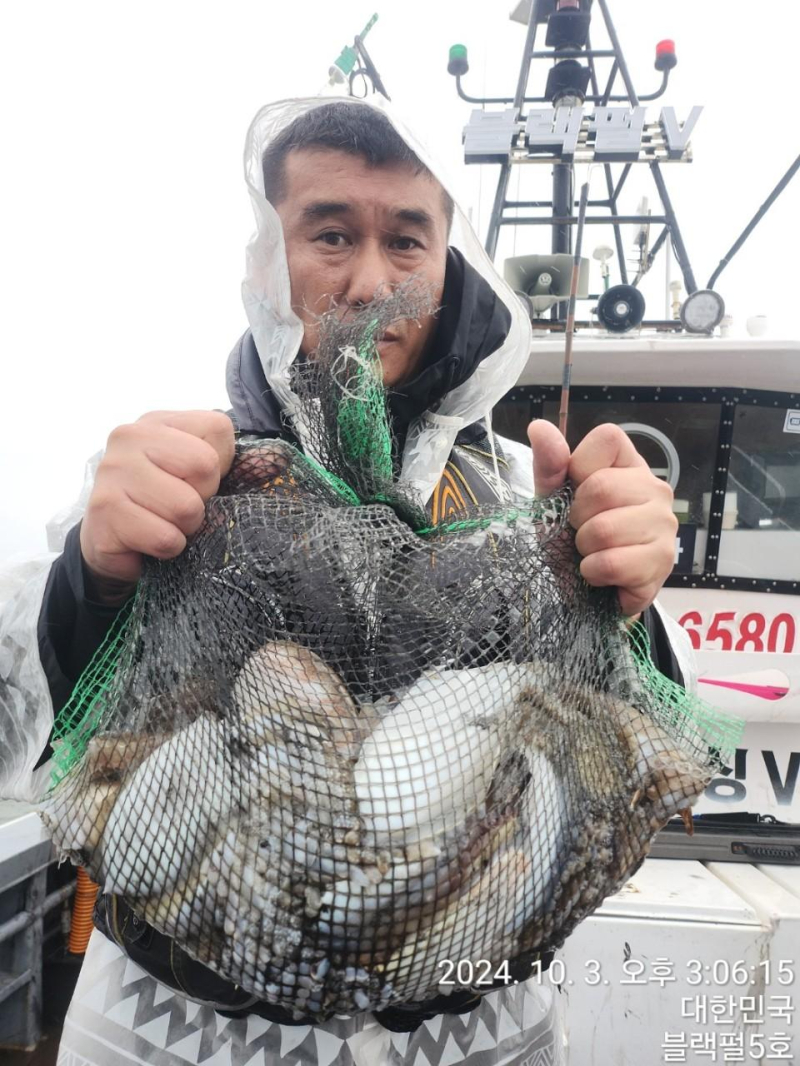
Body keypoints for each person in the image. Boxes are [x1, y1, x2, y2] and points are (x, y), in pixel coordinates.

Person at [0, 97, 690, 1066]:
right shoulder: (173, 480)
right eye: (329, 232)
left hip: (485, 1034)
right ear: (264, 264)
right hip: (175, 1036)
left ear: (450, 265)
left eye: (406, 239)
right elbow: (27, 733)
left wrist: (626, 597)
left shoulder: (522, 499)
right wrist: (93, 577)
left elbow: (631, 742)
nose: (371, 281)